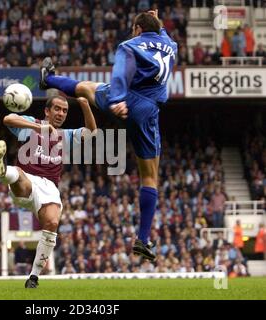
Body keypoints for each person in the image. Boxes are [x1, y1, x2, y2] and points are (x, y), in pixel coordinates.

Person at [38, 10, 177, 261]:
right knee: (150, 177)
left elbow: (120, 72)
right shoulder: (170, 44)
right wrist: (157, 22)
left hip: (128, 101)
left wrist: (117, 99)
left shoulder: (130, 45)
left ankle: (49, 79)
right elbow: (160, 32)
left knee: (86, 87)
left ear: (136, 28)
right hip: (149, 110)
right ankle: (143, 239)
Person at [0, 95, 96, 288]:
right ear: (47, 111)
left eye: (64, 110)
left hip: (49, 187)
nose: (61, 113)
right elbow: (8, 119)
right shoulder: (32, 124)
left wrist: (84, 105)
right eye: (57, 109)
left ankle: (33, 277)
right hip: (27, 178)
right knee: (19, 176)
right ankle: (4, 171)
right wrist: (37, 127)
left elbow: (91, 132)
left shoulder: (66, 135)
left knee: (52, 222)